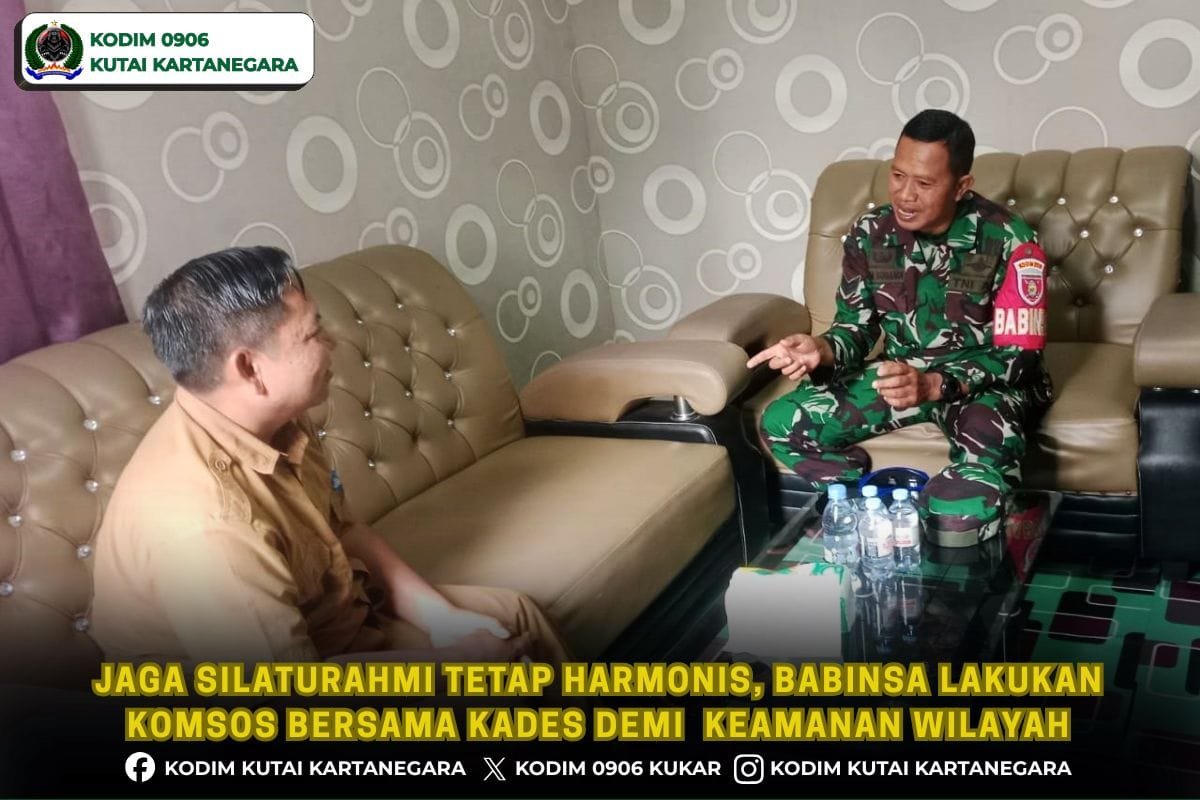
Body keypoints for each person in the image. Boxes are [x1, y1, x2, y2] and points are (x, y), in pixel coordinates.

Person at [92, 246, 569, 664]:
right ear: (250, 368)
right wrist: (455, 664)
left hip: (334, 620)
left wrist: (442, 620)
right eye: (313, 333)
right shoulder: (207, 524)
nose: (331, 343)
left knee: (514, 617)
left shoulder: (271, 419)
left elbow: (342, 529)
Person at [749, 110, 1052, 546]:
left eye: (924, 183)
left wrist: (936, 384)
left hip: (982, 387)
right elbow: (855, 330)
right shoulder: (870, 233)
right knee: (781, 423)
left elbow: (1020, 357)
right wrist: (821, 349)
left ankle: (967, 545)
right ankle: (866, 509)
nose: (905, 195)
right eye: (897, 175)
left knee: (964, 505)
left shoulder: (1011, 239)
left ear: (961, 186)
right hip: (902, 378)